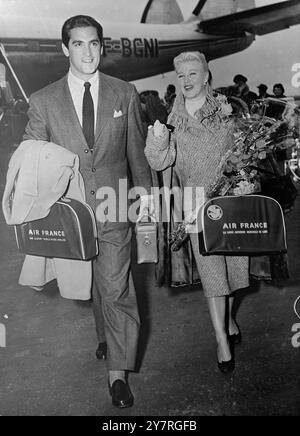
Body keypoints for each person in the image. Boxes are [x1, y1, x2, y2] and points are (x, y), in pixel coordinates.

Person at [23, 15, 152, 408]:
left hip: (115, 207)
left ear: (102, 46)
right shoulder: (43, 101)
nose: (87, 52)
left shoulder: (123, 92)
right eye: (78, 44)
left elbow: (136, 151)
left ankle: (118, 375)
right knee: (92, 286)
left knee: (115, 287)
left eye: (94, 43)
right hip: (72, 215)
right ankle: (104, 337)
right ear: (65, 49)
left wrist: (145, 197)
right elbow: (31, 156)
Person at [145, 51, 249, 374]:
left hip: (230, 203)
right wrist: (159, 141)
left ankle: (228, 319)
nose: (187, 81)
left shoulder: (225, 111)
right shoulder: (172, 120)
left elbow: (242, 154)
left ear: (206, 76)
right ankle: (221, 341)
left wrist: (245, 179)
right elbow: (159, 163)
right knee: (213, 276)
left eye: (193, 74)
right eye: (182, 76)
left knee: (233, 273)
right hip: (194, 206)